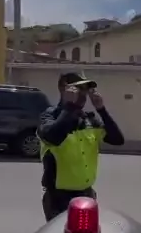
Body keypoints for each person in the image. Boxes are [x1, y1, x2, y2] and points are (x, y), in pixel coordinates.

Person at [38, 72, 125, 221]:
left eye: (86, 90)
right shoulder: (50, 117)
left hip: (87, 195)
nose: (84, 94)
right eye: (79, 89)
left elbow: (117, 139)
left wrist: (101, 110)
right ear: (64, 89)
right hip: (58, 198)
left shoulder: (89, 120)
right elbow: (53, 137)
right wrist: (70, 106)